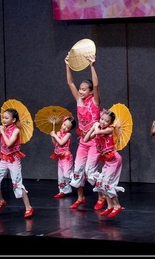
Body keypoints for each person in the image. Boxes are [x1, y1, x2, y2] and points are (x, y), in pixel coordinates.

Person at [65, 53, 107, 210]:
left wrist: (92, 66)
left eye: (84, 90)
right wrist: (67, 64)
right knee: (78, 170)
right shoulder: (79, 101)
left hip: (95, 141)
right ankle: (80, 197)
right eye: (80, 89)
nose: (81, 92)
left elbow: (96, 85)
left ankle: (101, 196)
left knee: (90, 171)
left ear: (90, 92)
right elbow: (70, 82)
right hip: (83, 141)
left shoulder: (95, 102)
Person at [0, 108, 34, 218]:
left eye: (6, 118)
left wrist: (2, 132)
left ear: (13, 120)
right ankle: (0, 201)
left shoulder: (16, 130)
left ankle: (28, 208)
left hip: (14, 160)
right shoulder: (3, 129)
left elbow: (9, 144)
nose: (4, 120)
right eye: (3, 117)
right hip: (4, 159)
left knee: (17, 183)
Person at [84, 110, 124, 218]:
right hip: (108, 161)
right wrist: (92, 128)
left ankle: (117, 206)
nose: (102, 122)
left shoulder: (109, 129)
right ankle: (110, 206)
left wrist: (95, 127)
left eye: (106, 121)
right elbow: (86, 139)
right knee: (101, 183)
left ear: (110, 123)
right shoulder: (98, 128)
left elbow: (97, 132)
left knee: (107, 184)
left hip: (114, 159)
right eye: (101, 119)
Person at [50, 116, 76, 198]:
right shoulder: (58, 133)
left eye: (67, 127)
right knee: (60, 176)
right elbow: (56, 145)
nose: (64, 127)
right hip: (60, 158)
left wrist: (55, 136)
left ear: (70, 129)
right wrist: (52, 136)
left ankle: (78, 178)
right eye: (64, 125)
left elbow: (61, 143)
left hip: (66, 157)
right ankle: (62, 191)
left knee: (66, 175)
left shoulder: (68, 134)